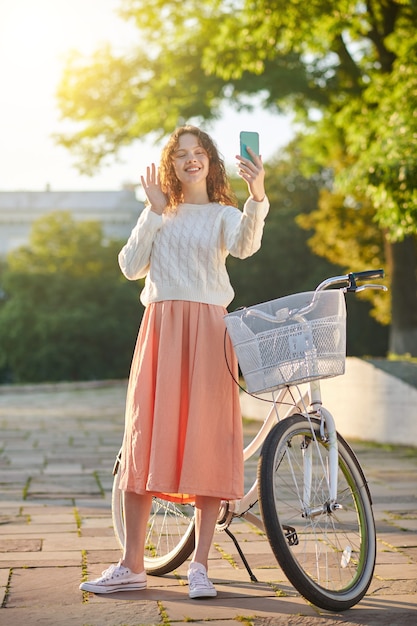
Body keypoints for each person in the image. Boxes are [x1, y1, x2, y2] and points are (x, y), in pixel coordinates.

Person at [80, 125, 269, 598]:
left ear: (210, 161)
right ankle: (131, 564)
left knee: (206, 441)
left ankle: (199, 566)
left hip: (208, 332)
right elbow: (129, 267)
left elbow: (246, 244)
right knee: (145, 440)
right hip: (162, 331)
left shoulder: (224, 215)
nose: (191, 159)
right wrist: (152, 212)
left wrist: (257, 193)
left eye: (198, 151)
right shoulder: (160, 212)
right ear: (172, 163)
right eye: (181, 153)